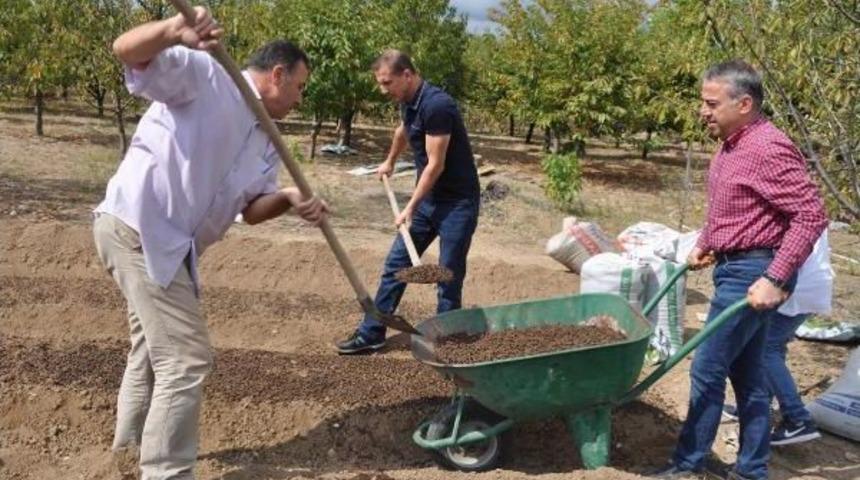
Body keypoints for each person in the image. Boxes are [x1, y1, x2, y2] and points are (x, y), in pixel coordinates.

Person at [93, 6, 327, 479]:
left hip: (174, 249)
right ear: (278, 75)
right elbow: (126, 51)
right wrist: (170, 31)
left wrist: (287, 197)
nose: (300, 99)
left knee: (152, 347)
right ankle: (165, 473)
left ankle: (125, 448)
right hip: (138, 228)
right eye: (300, 86)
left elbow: (251, 211)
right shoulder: (208, 76)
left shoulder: (266, 139)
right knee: (186, 356)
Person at [655, 60, 828, 480]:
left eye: (711, 103)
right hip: (733, 266)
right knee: (747, 373)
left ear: (745, 103)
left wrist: (775, 277)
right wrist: (706, 244)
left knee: (707, 367)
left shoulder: (768, 146)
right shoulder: (731, 144)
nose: (703, 111)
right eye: (702, 101)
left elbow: (810, 214)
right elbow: (733, 208)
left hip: (754, 271)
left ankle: (688, 465)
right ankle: (752, 470)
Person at [336, 50, 480, 354]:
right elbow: (403, 130)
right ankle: (372, 332)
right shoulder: (407, 102)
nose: (382, 89)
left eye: (387, 82)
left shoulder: (438, 105)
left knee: (448, 275)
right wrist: (389, 160)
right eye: (380, 83)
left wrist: (410, 207)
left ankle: (447, 341)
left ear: (407, 75)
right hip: (430, 201)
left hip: (457, 204)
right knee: (396, 266)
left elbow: (435, 165)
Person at [722, 230, 833, 446]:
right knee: (773, 347)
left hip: (796, 287)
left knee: (765, 350)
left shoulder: (787, 208)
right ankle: (757, 405)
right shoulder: (802, 203)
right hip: (807, 284)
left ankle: (797, 418)